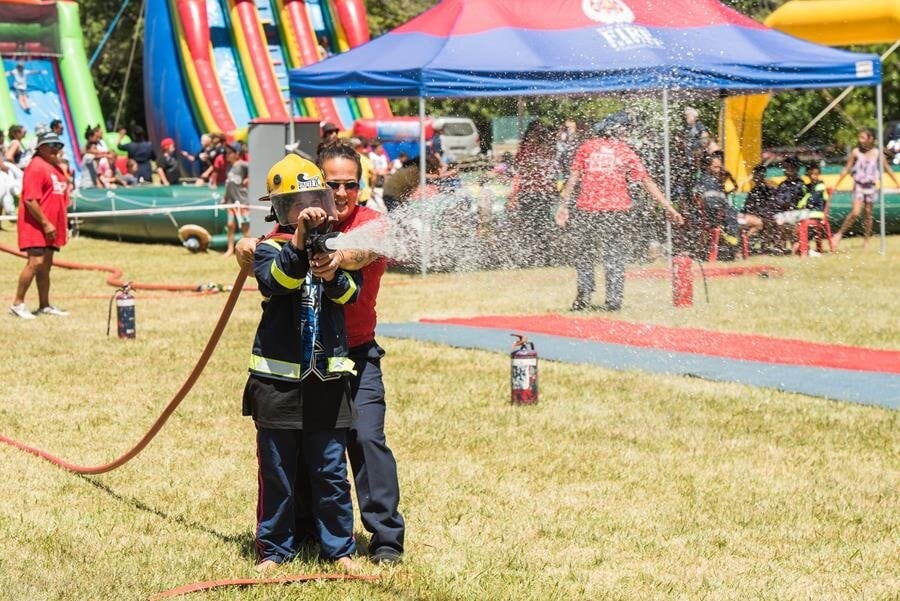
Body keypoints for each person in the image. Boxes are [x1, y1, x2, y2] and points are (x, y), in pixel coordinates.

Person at [236, 142, 406, 565]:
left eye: (351, 184)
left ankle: (384, 539)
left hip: (353, 357)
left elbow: (358, 258)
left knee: (364, 439)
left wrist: (332, 258)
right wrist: (263, 243)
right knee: (292, 461)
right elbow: (274, 270)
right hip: (292, 374)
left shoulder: (370, 226)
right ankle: (297, 536)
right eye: (333, 185)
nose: (342, 193)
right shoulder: (281, 241)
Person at [244, 153, 361, 572]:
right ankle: (275, 549)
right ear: (280, 210)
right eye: (297, 204)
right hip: (277, 389)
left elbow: (351, 296)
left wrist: (333, 274)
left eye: (314, 200)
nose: (308, 211)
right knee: (277, 472)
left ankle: (340, 549)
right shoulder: (268, 249)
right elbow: (280, 281)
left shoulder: (339, 249)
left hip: (327, 383)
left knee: (330, 472)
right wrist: (297, 242)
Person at [556, 119, 683, 311]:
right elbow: (646, 181)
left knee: (584, 254)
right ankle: (614, 300)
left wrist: (564, 206)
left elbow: (573, 178)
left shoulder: (587, 147)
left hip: (588, 209)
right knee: (614, 256)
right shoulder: (624, 150)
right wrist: (668, 206)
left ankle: (584, 294)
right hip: (616, 210)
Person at [9, 130, 70, 319]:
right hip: (36, 225)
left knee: (46, 265)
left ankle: (44, 305)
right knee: (35, 262)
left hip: (52, 226)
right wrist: (45, 223)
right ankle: (17, 304)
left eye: (59, 145)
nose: (56, 149)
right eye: (51, 145)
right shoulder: (36, 167)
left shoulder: (56, 167)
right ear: (40, 147)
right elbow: (29, 199)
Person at [830, 128, 900, 248]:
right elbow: (846, 169)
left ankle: (866, 240)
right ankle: (839, 234)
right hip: (859, 185)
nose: (860, 140)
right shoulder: (856, 152)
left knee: (868, 213)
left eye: (863, 138)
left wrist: (897, 182)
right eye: (860, 137)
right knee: (856, 212)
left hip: (871, 186)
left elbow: (887, 168)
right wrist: (836, 184)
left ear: (870, 139)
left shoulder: (877, 153)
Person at [509, 121, 559, 263]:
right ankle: (529, 255)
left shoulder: (549, 148)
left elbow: (550, 170)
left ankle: (543, 254)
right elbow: (519, 168)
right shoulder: (525, 148)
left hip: (543, 192)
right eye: (535, 131)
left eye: (540, 131)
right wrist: (514, 194)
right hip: (528, 191)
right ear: (529, 133)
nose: (537, 134)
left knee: (542, 223)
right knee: (528, 224)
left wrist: (553, 189)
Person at [210, 143, 249, 256]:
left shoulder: (242, 165)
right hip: (231, 202)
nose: (226, 155)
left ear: (237, 154)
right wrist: (225, 198)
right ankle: (230, 249)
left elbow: (255, 168)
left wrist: (248, 178)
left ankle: (247, 250)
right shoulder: (229, 168)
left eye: (229, 152)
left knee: (245, 227)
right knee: (230, 225)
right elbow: (228, 185)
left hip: (242, 201)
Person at [795, 163, 831, 254]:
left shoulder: (820, 186)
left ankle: (804, 250)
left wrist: (824, 216)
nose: (813, 176)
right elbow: (801, 202)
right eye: (811, 174)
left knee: (801, 222)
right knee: (797, 222)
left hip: (818, 212)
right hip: (809, 212)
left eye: (816, 174)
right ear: (808, 175)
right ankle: (805, 247)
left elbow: (814, 201)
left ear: (819, 174)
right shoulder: (807, 187)